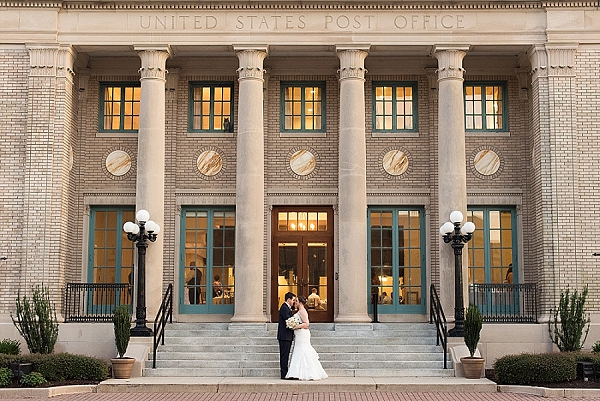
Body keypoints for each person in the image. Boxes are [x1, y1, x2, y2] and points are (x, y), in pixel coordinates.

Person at [285, 295, 328, 381]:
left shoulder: (302, 311)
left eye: (296, 301)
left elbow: (306, 324)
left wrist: (295, 326)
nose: (295, 302)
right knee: (298, 350)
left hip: (302, 333)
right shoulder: (300, 311)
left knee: (303, 350)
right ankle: (296, 373)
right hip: (299, 334)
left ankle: (307, 373)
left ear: (300, 302)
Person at [277, 291, 296, 380]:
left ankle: (285, 373)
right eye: (293, 300)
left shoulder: (287, 308)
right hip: (284, 336)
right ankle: (284, 374)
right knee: (284, 355)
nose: (294, 302)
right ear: (288, 300)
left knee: (285, 355)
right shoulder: (284, 308)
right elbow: (288, 321)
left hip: (286, 336)